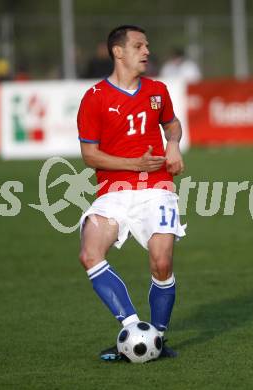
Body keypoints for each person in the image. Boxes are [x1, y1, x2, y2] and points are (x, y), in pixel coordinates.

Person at [77, 25, 186, 361]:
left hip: (157, 188)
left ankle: (158, 338)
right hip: (114, 191)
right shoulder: (95, 98)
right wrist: (134, 162)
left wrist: (173, 144)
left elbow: (172, 124)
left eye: (148, 45)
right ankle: (134, 329)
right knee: (90, 253)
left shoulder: (157, 90)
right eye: (139, 45)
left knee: (162, 261)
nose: (147, 51)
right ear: (118, 52)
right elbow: (90, 155)